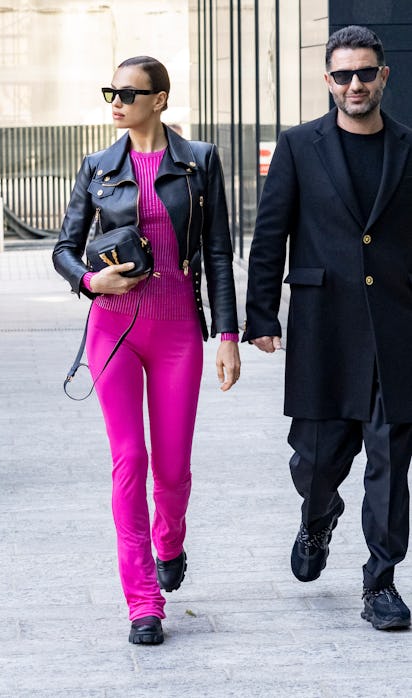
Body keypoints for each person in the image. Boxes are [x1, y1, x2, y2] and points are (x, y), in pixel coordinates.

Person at [53, 56, 240, 644]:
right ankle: (142, 601)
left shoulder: (199, 162)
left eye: (128, 93)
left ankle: (171, 539)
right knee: (130, 460)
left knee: (174, 466)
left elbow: (216, 253)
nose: (116, 101)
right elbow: (64, 247)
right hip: (114, 331)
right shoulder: (96, 167)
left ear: (159, 99)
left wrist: (228, 336)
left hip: (178, 331)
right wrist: (90, 281)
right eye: (110, 91)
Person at [243, 25, 412, 631]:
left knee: (391, 461)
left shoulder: (407, 146)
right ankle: (318, 516)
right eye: (343, 75)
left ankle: (381, 583)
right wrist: (259, 314)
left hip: (397, 329)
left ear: (383, 76)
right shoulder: (298, 146)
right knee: (314, 461)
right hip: (324, 326)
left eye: (366, 73)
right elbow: (270, 235)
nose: (355, 84)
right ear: (328, 81)